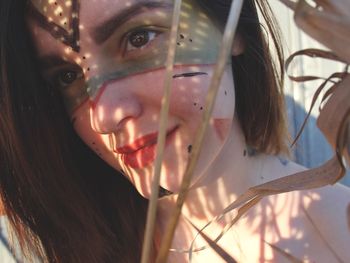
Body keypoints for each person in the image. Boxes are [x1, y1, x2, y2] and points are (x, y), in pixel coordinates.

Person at [0, 0, 349, 262]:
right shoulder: (94, 241)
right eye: (68, 76)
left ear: (233, 29)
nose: (103, 117)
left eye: (138, 38)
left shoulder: (336, 236)